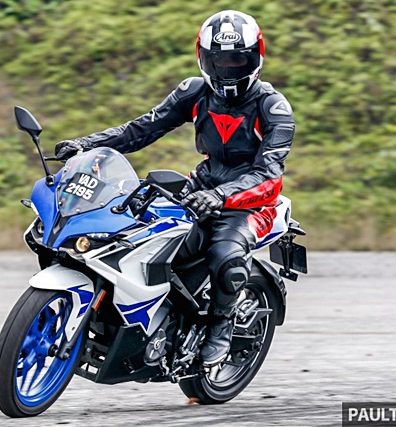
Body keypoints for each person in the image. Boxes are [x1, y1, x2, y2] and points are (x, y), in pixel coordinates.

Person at [55, 10, 295, 366]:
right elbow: (140, 129)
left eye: (236, 60)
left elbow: (267, 173)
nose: (227, 69)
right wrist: (86, 145)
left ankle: (221, 325)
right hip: (200, 187)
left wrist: (220, 196)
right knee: (135, 233)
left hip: (252, 204)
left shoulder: (273, 108)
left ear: (255, 58)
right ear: (203, 58)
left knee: (225, 256)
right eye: (218, 60)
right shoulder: (195, 92)